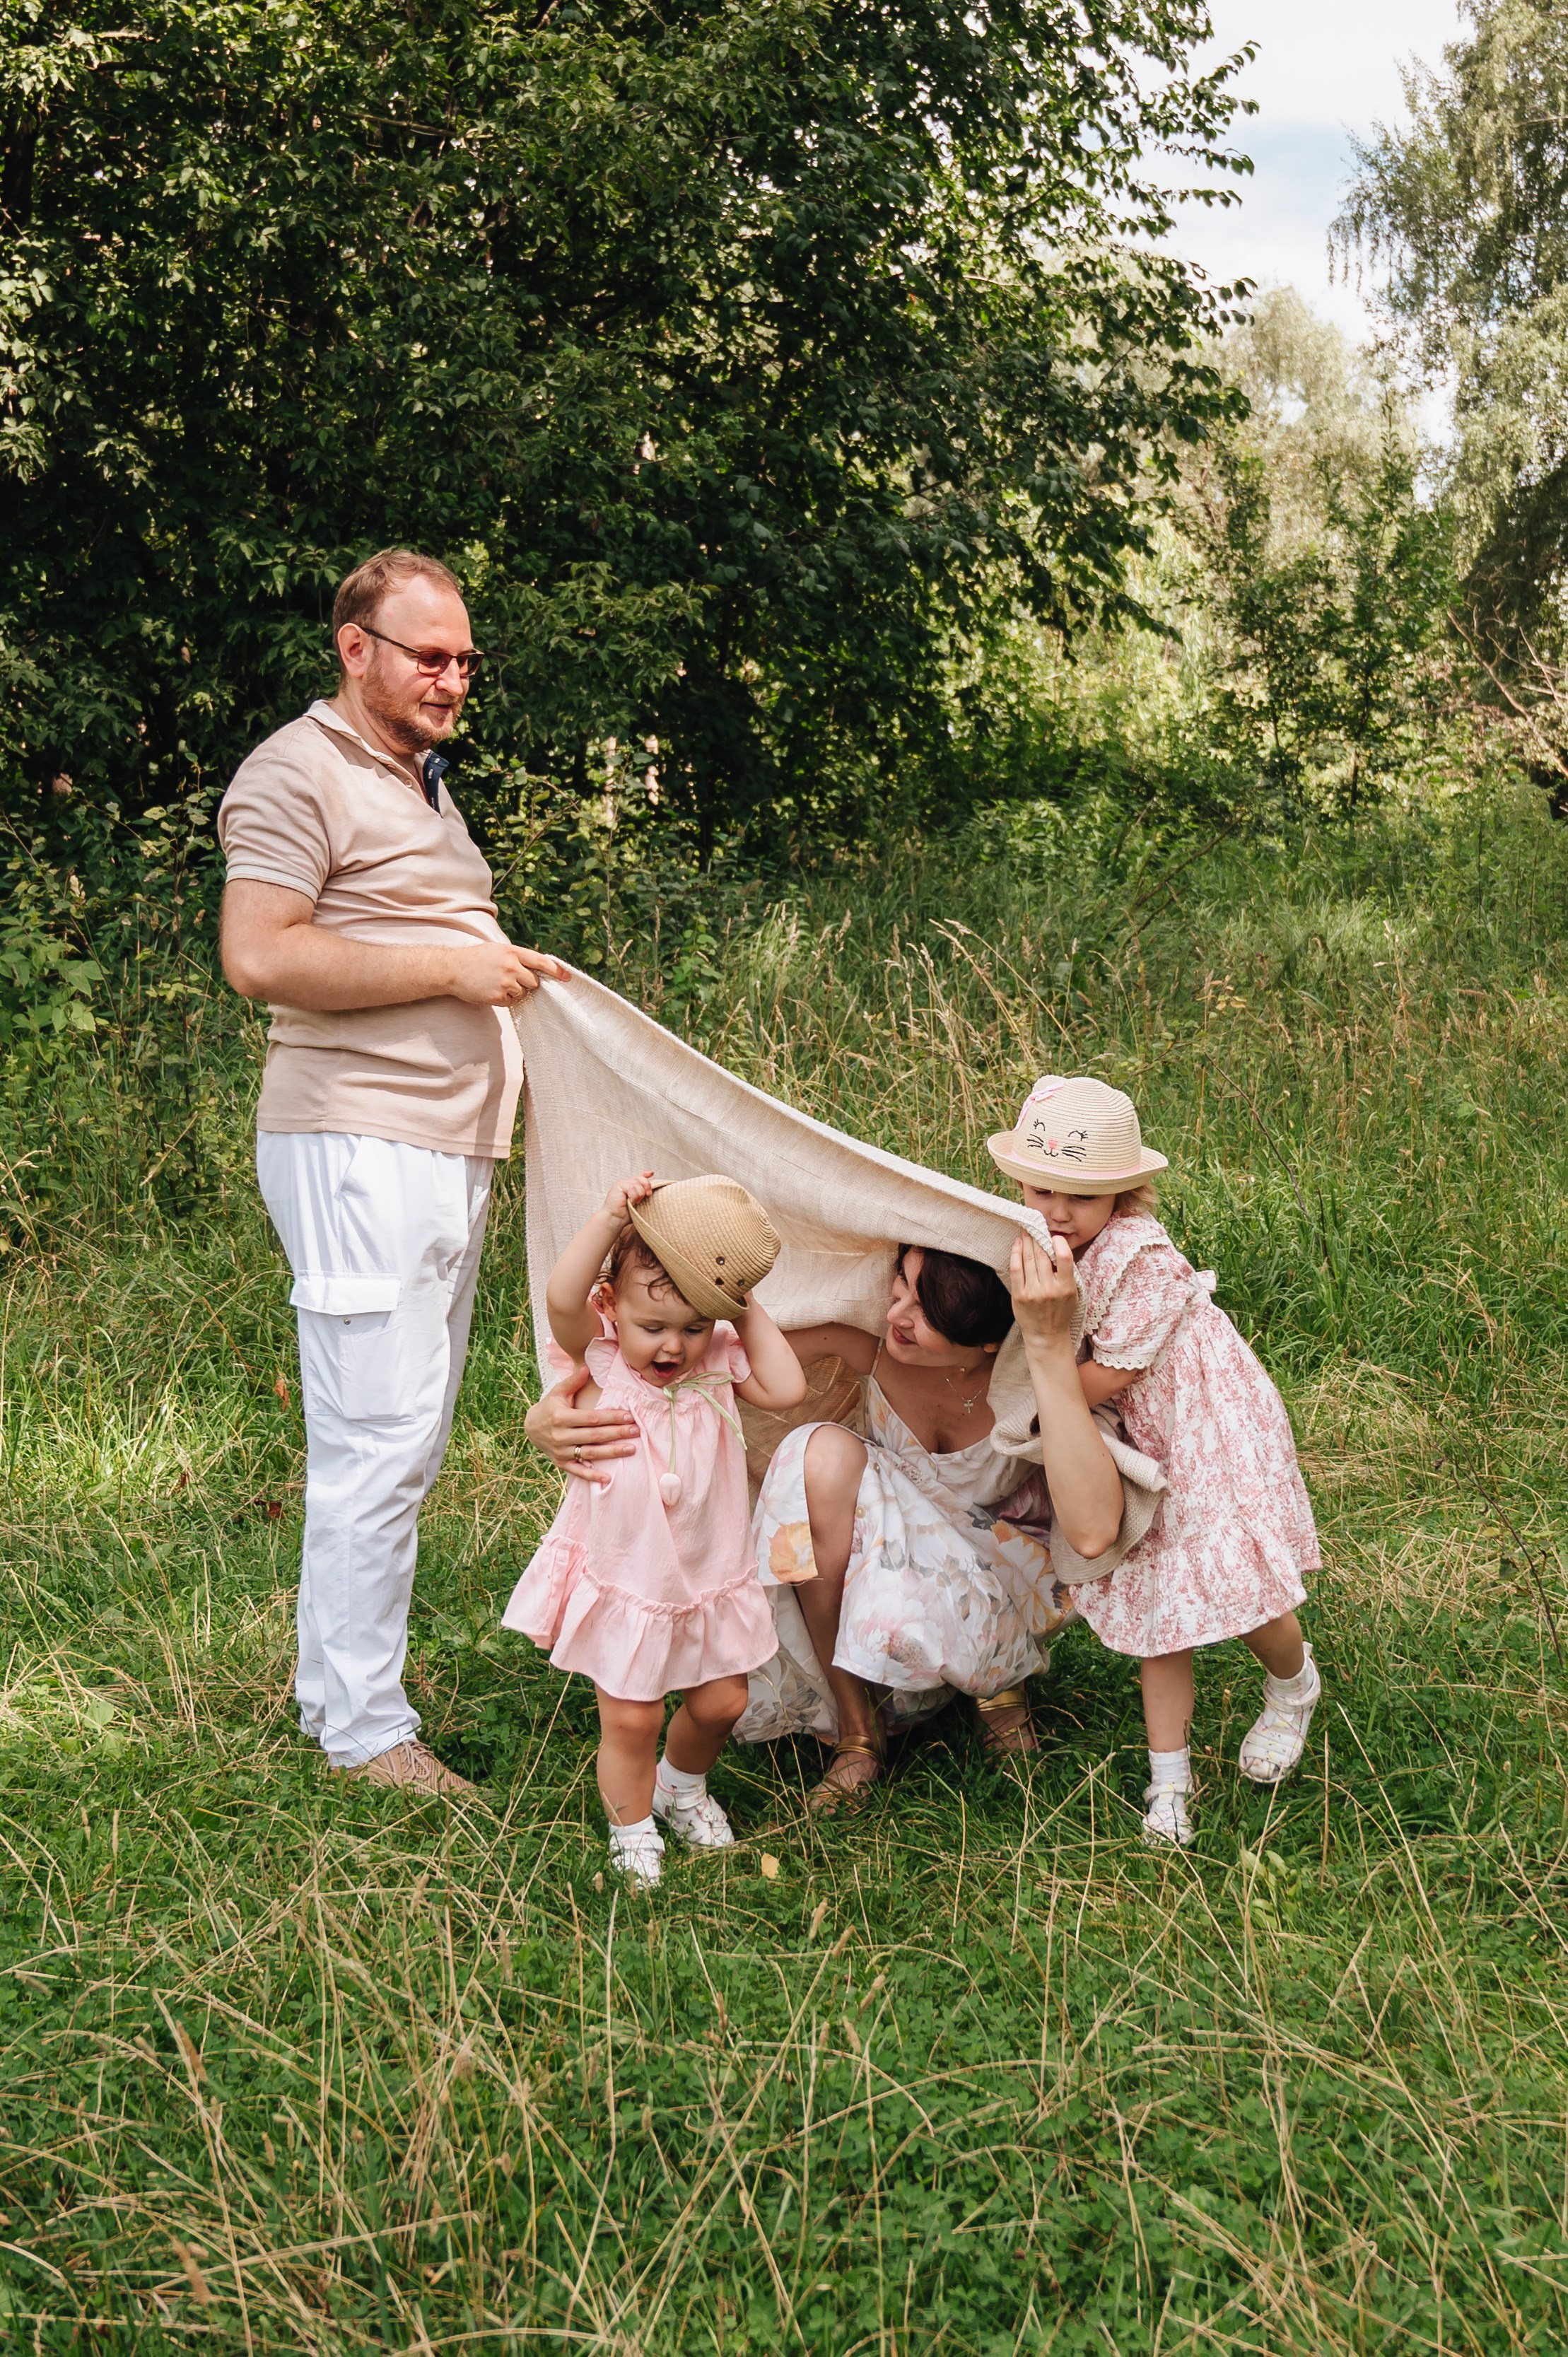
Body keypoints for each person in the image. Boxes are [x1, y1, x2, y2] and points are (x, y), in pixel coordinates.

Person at [218, 546, 563, 1793]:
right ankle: (366, 1732)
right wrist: (453, 971)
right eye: (430, 654)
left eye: (466, 658)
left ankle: (332, 1692)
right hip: (359, 1142)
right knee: (375, 1436)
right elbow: (259, 955)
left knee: (402, 1435)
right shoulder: (294, 770)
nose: (453, 677)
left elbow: (406, 930)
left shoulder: (418, 778)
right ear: (352, 645)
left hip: (433, 1144)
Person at [525, 1222, 1149, 1813]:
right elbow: (692, 1361)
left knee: (923, 1512)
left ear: (987, 1339)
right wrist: (551, 1413)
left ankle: (1002, 1694)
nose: (896, 1316)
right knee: (814, 1454)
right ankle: (859, 1730)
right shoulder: (868, 1348)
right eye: (900, 1286)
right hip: (890, 1583)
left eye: (926, 1314)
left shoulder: (1028, 1384)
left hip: (1003, 1587)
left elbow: (1093, 1526)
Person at [988, 1074, 1322, 1848]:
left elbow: (1109, 1374)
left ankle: (1291, 1681)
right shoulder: (1030, 1241)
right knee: (1155, 1608)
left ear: (1125, 1193)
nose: (1057, 1211)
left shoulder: (1144, 1260)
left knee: (1240, 1588)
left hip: (1198, 1431)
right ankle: (1169, 1782)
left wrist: (1025, 1387)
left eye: (1082, 1195)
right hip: (1130, 1440)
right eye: (1042, 1188)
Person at [502, 1174, 806, 1885]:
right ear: (612, 1306)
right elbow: (558, 1297)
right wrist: (610, 1217)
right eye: (655, 1326)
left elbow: (787, 1388)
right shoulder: (604, 1359)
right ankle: (631, 1825)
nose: (673, 1345)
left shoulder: (718, 1361)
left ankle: (680, 1786)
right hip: (631, 1574)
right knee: (632, 1718)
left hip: (709, 1572)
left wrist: (741, 1304)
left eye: (693, 1324)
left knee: (724, 1700)